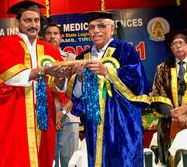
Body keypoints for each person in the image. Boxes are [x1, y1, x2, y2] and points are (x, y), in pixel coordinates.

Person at [0, 0, 69, 167]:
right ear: (17, 22)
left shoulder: (50, 49)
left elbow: (57, 87)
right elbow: (9, 76)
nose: (33, 25)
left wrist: (61, 77)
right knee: (14, 157)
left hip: (43, 114)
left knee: (43, 156)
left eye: (36, 21)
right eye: (28, 20)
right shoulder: (7, 44)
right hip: (14, 110)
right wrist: (41, 71)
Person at [70, 11, 150, 167]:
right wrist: (79, 78)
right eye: (91, 27)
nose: (96, 30)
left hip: (122, 120)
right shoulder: (83, 57)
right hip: (95, 122)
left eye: (101, 26)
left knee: (124, 160)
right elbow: (77, 96)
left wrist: (107, 71)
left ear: (112, 29)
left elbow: (136, 80)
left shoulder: (125, 50)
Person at [44, 23, 80, 167]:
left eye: (56, 33)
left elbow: (77, 90)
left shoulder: (72, 59)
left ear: (61, 37)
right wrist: (52, 114)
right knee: (48, 161)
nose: (52, 36)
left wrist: (62, 112)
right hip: (45, 118)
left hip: (69, 117)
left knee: (70, 162)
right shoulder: (37, 59)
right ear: (43, 37)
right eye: (48, 33)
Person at [150, 29, 187, 166]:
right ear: (171, 47)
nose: (178, 46)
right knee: (170, 160)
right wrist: (175, 114)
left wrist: (185, 111)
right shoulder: (162, 68)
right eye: (174, 43)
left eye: (181, 42)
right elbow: (157, 94)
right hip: (169, 122)